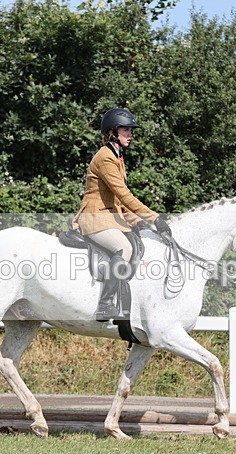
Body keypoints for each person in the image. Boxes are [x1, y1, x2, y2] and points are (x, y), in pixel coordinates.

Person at [73, 108, 171, 321]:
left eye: (131, 131)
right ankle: (105, 304)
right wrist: (154, 218)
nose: (130, 134)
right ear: (112, 132)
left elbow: (118, 201)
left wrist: (137, 221)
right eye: (125, 130)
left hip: (110, 217)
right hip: (95, 218)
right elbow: (124, 195)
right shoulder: (105, 157)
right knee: (124, 248)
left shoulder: (117, 157)